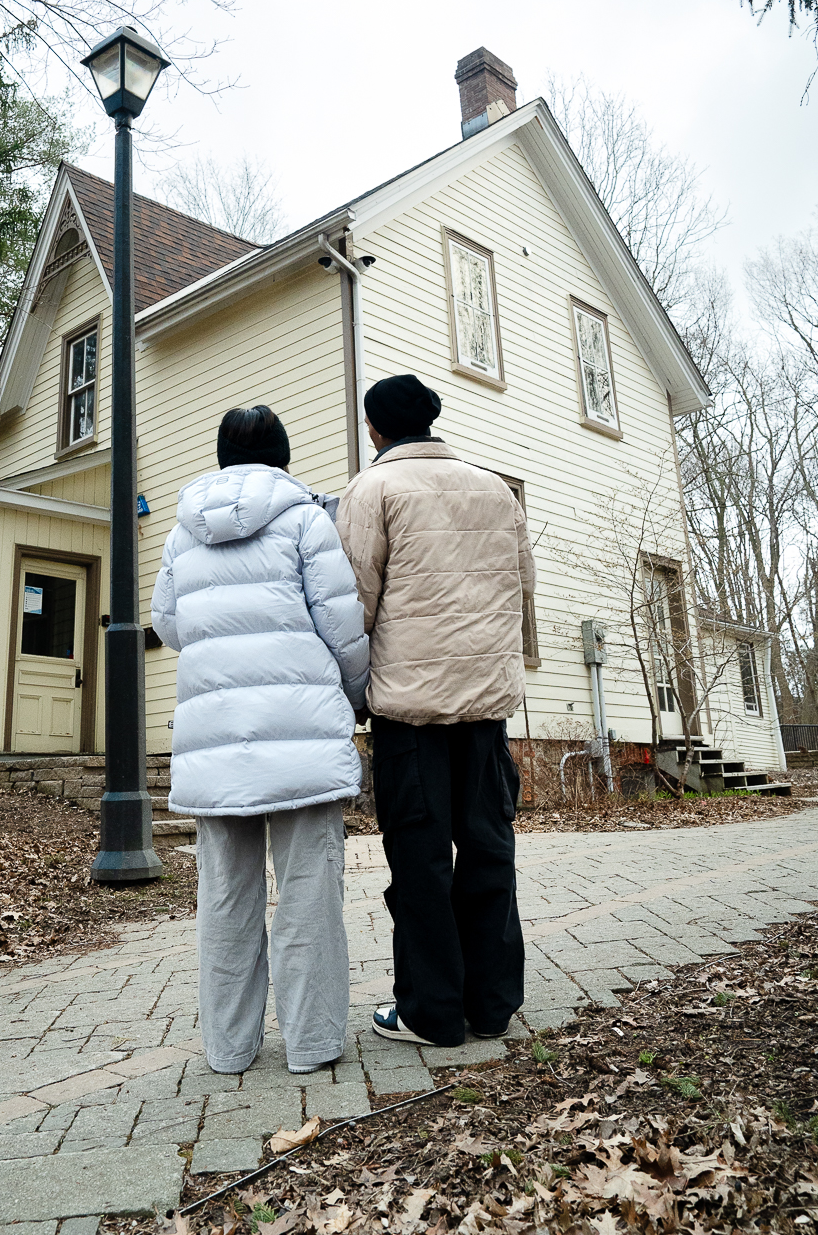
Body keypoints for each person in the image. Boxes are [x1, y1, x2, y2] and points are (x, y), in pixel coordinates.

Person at [151, 405, 369, 1076]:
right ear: (284, 455)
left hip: (214, 743)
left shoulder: (182, 534)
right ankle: (311, 1044)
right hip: (300, 733)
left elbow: (167, 624)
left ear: (220, 456)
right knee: (308, 892)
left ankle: (228, 1049)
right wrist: (356, 696)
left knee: (222, 898)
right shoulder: (305, 518)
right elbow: (341, 626)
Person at [335, 373, 535, 1050]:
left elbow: (355, 603)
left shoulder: (374, 489)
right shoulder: (495, 490)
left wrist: (352, 691)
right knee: (488, 850)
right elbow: (521, 589)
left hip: (410, 711)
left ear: (375, 428)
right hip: (486, 708)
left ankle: (432, 1012)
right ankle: (493, 1005)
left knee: (420, 862)